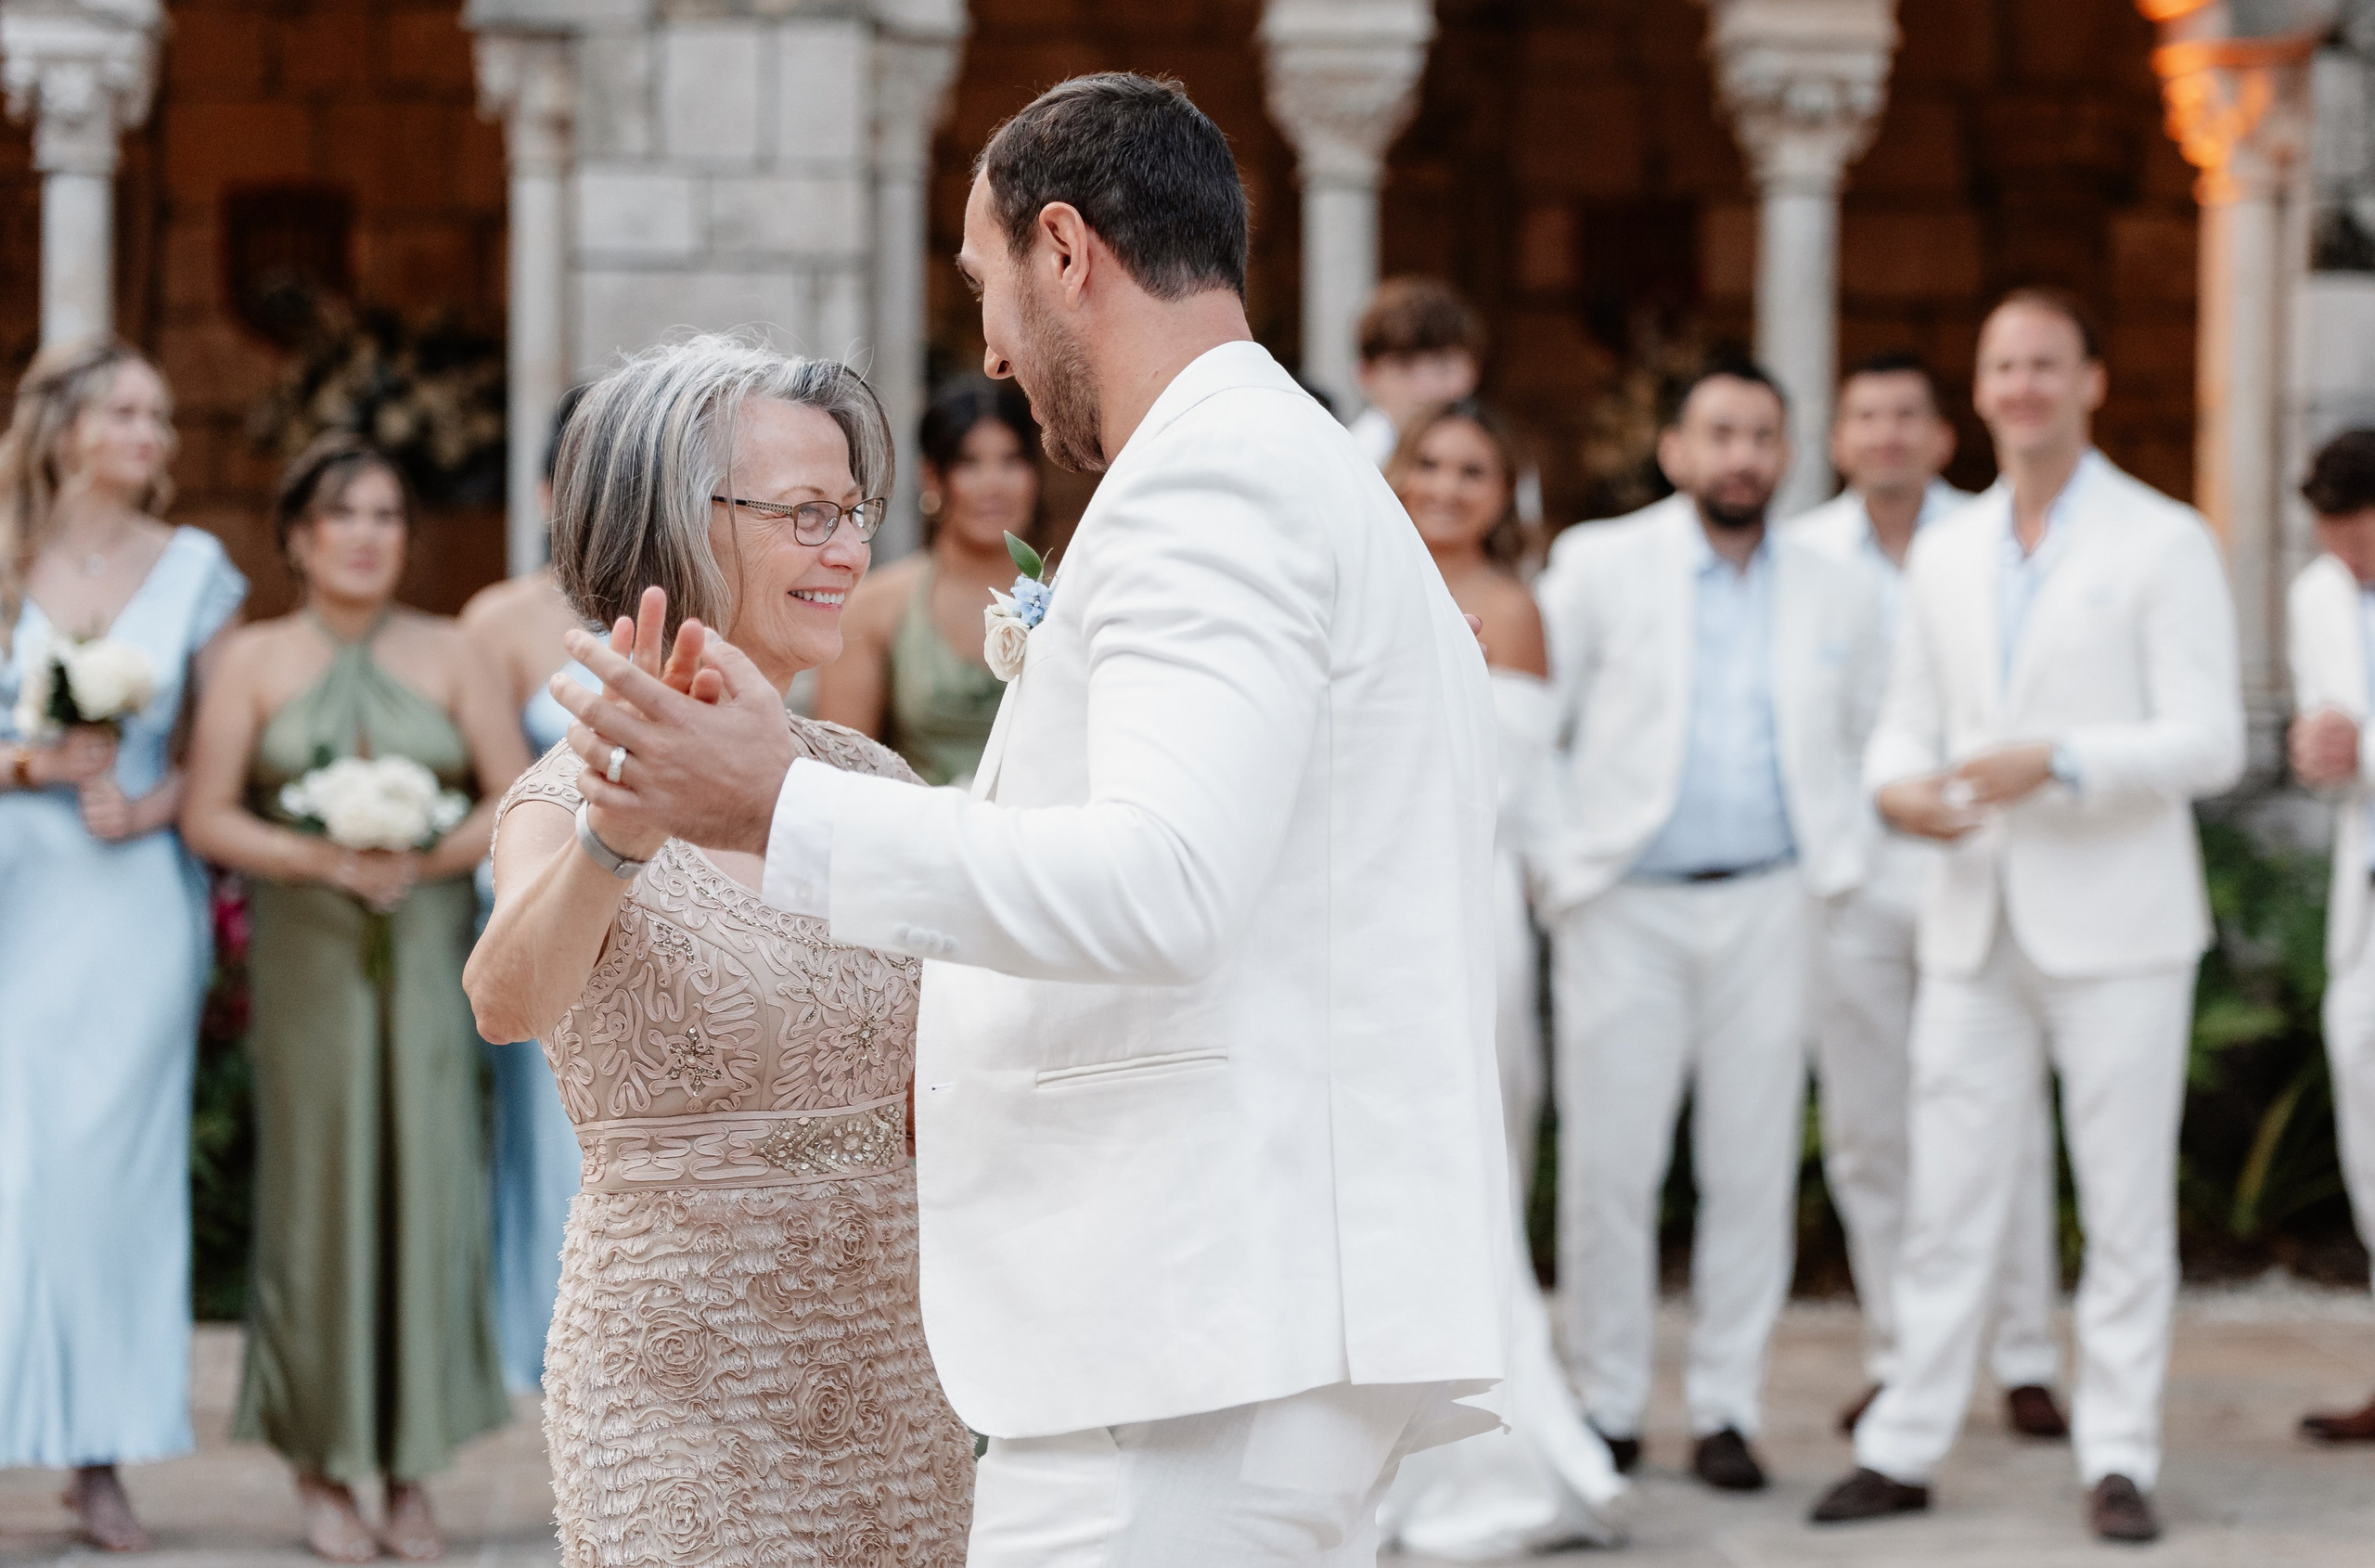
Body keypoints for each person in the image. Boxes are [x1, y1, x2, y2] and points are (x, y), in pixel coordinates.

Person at [545, 72, 1509, 1566]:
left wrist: (776, 803)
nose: (990, 349)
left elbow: (1165, 881)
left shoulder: (1216, 486)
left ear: (1067, 250)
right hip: (1221, 1319)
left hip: (1192, 1323)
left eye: (986, 283)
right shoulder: (1290, 469)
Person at [463, 337, 977, 1566]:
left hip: (894, 1368)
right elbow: (505, 996)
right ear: (676, 522)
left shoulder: (871, 781)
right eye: (806, 512)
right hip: (677, 1383)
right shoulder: (562, 798)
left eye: (854, 510)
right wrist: (616, 841)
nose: (847, 548)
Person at [1811, 289, 2243, 1543]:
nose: (2022, 387)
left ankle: (2118, 1450)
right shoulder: (1947, 552)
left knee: (2121, 1204)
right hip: (1970, 918)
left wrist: (2060, 760)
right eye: (2003, 367)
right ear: (1983, 391)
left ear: (2091, 382)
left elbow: (2214, 738)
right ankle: (1904, 1440)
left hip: (2120, 928)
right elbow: (1906, 713)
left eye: (2046, 365)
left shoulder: (2163, 540)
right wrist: (1894, 784)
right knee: (1948, 1197)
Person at [1531, 360, 1886, 1494]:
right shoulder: (1599, 564)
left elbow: (1876, 736)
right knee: (1609, 1167)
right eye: (1719, 435)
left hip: (1776, 901)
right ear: (1675, 451)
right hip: (1625, 901)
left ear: (1787, 453)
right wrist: (1560, 870)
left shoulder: (1838, 587)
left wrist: (1850, 863)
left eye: (1762, 436)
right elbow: (1538, 724)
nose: (1742, 457)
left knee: (1751, 1164)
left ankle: (1727, 1407)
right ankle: (1610, 1400)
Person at [181, 437, 527, 1562]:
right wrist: (324, 860)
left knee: (429, 1186)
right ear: (298, 536)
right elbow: (208, 815)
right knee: (320, 1195)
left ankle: (415, 1466)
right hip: (310, 957)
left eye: (387, 512)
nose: (370, 534)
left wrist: (424, 857)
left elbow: (510, 792)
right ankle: (321, 1463)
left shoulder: (455, 649)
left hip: (426, 952)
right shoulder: (248, 660)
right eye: (345, 514)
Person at [1786, 351, 2070, 1441]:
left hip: (1987, 873)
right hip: (1854, 882)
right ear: (1841, 438)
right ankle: (1904, 1354)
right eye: (1868, 416)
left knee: (2006, 1123)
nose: (1889, 434)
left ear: (1942, 435)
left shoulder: (1996, 537)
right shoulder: (1801, 554)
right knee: (1868, 1134)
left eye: (1909, 415)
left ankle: (2025, 1353)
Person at [0, 340, 248, 1553]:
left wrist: (148, 807)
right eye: (129, 412)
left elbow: (226, 733)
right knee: (14, 1168)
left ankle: (99, 1454)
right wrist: (26, 763)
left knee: (106, 1174)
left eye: (160, 413)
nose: (156, 432)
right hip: (14, 883)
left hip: (132, 897)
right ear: (66, 427)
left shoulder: (197, 566)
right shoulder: (2, 551)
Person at [1376, 399, 1628, 1556]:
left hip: (1464, 913)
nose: (1445, 485)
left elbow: (1506, 794)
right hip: (1365, 908)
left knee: (1464, 1169)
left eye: (1472, 470)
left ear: (1504, 493)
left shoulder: (1514, 612)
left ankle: (1484, 1456)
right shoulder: (1364, 583)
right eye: (1429, 461)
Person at [457, 388, 593, 1394]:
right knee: (551, 1145)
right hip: (545, 905)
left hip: (677, 909)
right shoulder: (500, 620)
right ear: (548, 489)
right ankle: (558, 1356)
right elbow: (505, 792)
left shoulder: (701, 604)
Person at [2282, 427, 2375, 1445]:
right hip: (2364, 898)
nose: (2348, 562)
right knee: (2367, 1135)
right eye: (2334, 542)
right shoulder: (2315, 593)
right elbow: (2330, 738)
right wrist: (2318, 751)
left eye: (2363, 541)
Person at [813, 379, 1040, 784]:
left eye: (1012, 461)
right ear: (932, 477)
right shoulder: (875, 607)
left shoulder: (1075, 594)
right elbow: (841, 778)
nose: (994, 484)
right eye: (970, 464)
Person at [1347, 277, 1486, 468]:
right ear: (1366, 376)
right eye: (1404, 367)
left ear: (1473, 371)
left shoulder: (1499, 458)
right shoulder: (1348, 463)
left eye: (1443, 366)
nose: (1427, 390)